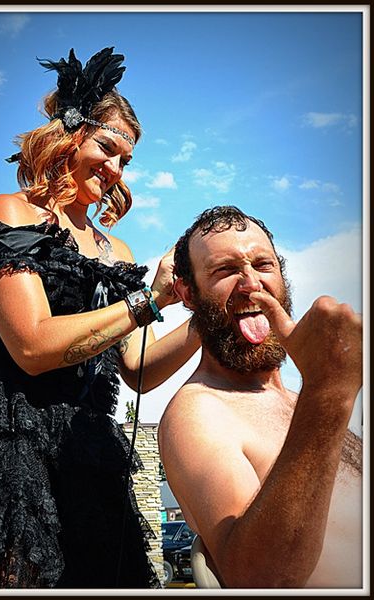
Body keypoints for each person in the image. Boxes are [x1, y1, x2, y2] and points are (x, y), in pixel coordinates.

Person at [0, 47, 200, 589]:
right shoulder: (10, 213)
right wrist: (147, 302)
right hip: (3, 436)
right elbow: (32, 347)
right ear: (69, 133)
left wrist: (203, 311)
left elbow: (137, 369)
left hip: (86, 444)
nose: (117, 169)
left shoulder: (115, 248)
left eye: (128, 160)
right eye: (108, 147)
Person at [158, 205, 362, 589]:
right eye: (225, 270)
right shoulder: (199, 411)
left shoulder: (302, 400)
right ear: (188, 292)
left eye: (264, 265)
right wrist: (329, 391)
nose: (250, 283)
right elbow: (258, 579)